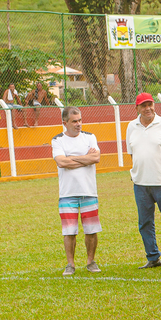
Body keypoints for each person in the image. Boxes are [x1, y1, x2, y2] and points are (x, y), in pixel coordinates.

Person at [126, 92, 161, 269]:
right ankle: (152, 257)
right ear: (137, 108)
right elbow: (132, 153)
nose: (148, 108)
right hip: (141, 183)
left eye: (150, 104)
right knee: (145, 223)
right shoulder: (131, 127)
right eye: (143, 105)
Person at [51, 106, 102, 275]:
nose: (78, 124)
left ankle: (90, 261)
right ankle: (70, 264)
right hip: (67, 193)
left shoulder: (90, 137)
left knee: (91, 230)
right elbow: (61, 162)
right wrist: (85, 159)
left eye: (80, 120)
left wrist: (71, 157)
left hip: (89, 191)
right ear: (65, 123)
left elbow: (96, 158)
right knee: (69, 231)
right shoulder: (58, 140)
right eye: (74, 121)